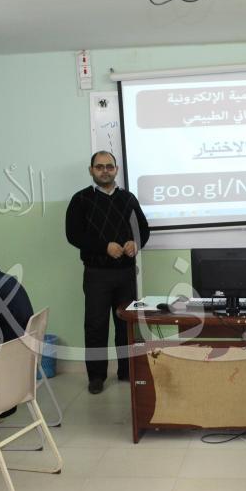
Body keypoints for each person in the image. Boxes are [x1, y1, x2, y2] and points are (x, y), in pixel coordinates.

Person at [66, 151, 150, 394]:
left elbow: (143, 230)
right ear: (91, 170)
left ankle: (126, 371)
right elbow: (74, 235)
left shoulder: (128, 198)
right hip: (96, 274)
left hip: (125, 273)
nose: (105, 171)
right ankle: (96, 376)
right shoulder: (80, 199)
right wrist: (104, 247)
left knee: (126, 325)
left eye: (109, 166)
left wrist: (135, 243)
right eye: (99, 166)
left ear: (116, 170)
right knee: (96, 326)